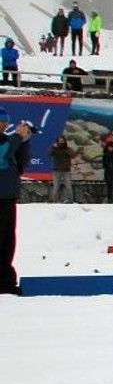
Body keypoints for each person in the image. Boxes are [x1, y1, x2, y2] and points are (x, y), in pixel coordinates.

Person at [1, 120, 33, 295]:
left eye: (5, 122)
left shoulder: (9, 140)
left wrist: (25, 142)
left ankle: (5, 281)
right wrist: (17, 137)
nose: (4, 125)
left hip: (8, 196)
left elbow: (21, 164)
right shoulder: (8, 141)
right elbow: (2, 156)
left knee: (7, 242)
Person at [48, 135, 75, 203]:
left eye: (62, 141)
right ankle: (55, 200)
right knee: (56, 187)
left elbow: (73, 155)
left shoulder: (68, 149)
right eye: (59, 141)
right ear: (57, 142)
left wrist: (67, 150)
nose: (61, 142)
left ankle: (70, 200)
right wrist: (53, 147)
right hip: (56, 170)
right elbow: (49, 153)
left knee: (68, 186)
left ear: (65, 141)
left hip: (66, 170)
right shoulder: (55, 149)